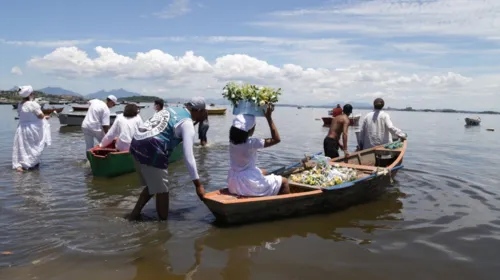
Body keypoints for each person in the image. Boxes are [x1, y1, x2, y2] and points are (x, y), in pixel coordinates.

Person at [126, 97, 207, 221]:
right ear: (199, 111)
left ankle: (134, 215)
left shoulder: (173, 109)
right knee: (163, 191)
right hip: (152, 146)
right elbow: (188, 155)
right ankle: (163, 229)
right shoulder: (187, 123)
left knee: (153, 184)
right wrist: (198, 185)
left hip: (136, 142)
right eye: (204, 112)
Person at [227, 105, 290, 197]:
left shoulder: (232, 142)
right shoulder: (251, 143)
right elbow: (276, 139)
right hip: (245, 183)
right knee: (284, 181)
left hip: (233, 181)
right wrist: (269, 118)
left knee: (264, 171)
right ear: (250, 130)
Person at [12, 85, 52, 172]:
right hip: (32, 129)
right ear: (31, 94)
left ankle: (20, 165)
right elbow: (40, 116)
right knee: (33, 147)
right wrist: (46, 117)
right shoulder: (33, 104)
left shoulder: (20, 104)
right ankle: (30, 164)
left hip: (21, 128)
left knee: (23, 147)